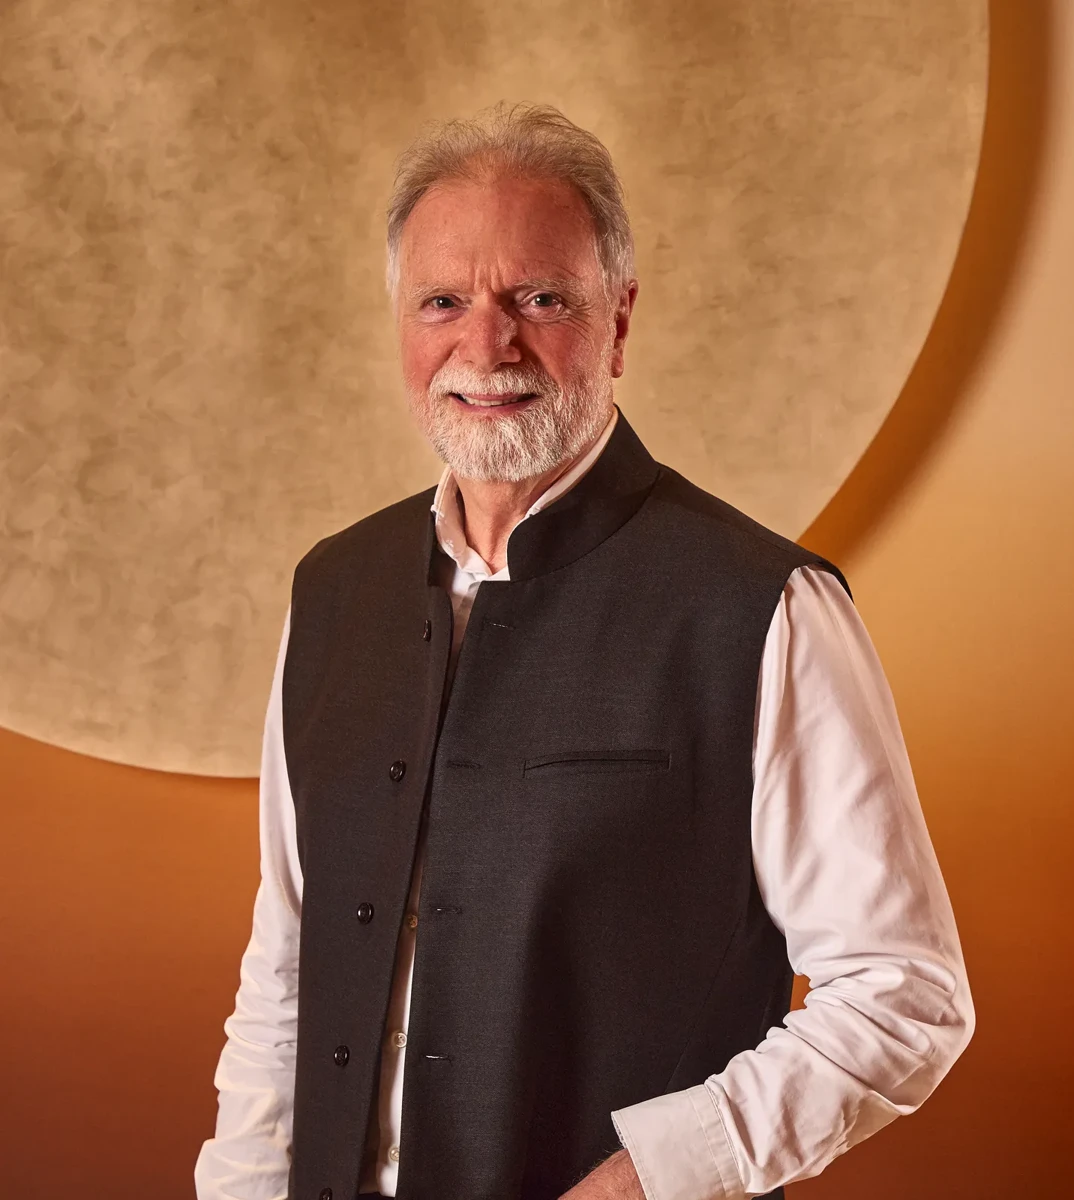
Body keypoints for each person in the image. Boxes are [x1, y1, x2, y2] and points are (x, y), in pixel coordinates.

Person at [195, 102, 973, 1200]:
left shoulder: (761, 608)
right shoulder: (331, 593)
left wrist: (647, 1180)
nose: (487, 344)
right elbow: (288, 961)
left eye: (541, 299)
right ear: (400, 325)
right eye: (443, 301)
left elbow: (904, 993)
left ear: (618, 323)